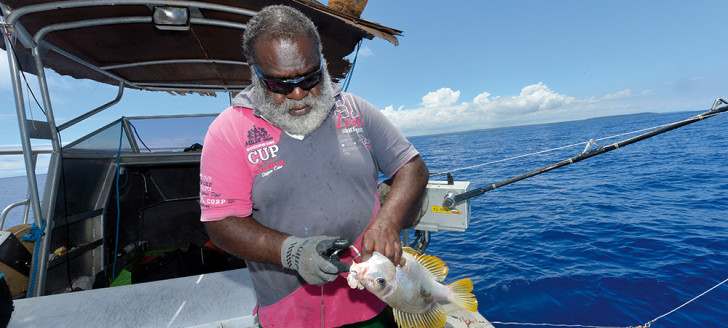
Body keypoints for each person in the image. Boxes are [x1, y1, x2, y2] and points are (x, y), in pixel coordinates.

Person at [199, 5, 429, 327]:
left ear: (322, 60)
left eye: (310, 78)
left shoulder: (355, 110)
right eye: (279, 85)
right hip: (288, 312)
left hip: (372, 298)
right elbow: (220, 222)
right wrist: (291, 251)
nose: (298, 94)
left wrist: (388, 220)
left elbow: (412, 167)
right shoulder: (229, 131)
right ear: (255, 72)